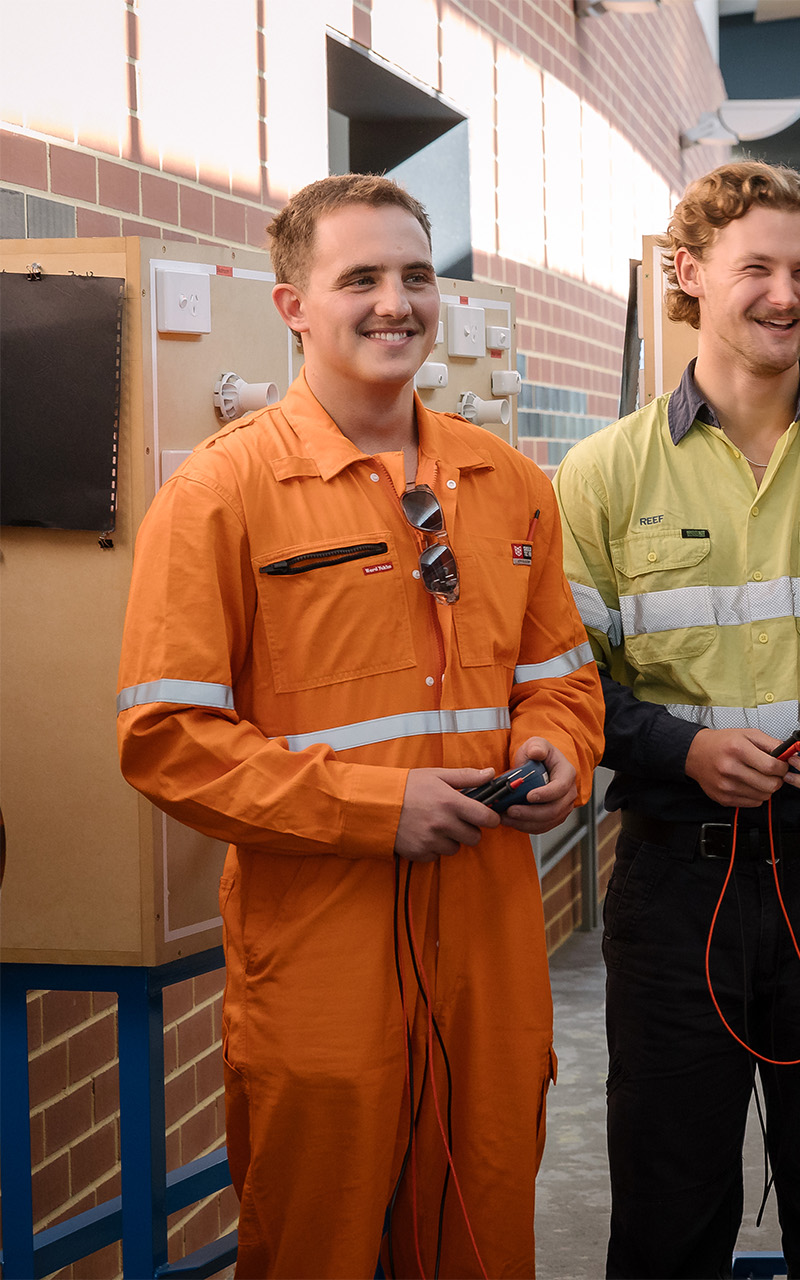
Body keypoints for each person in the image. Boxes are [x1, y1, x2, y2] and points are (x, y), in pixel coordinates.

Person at [115, 174, 604, 1276]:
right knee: (317, 1242)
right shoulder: (221, 495)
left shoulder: (511, 482)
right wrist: (377, 808)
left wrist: (556, 751)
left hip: (487, 943)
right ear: (292, 305)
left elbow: (562, 678)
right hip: (321, 952)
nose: (397, 302)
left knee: (482, 1226)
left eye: (417, 275)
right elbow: (165, 737)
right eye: (362, 278)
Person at [555, 160, 800, 1279]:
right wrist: (680, 747)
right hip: (675, 887)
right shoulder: (599, 476)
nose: (787, 293)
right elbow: (568, 687)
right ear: (688, 274)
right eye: (758, 268)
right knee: (669, 1218)